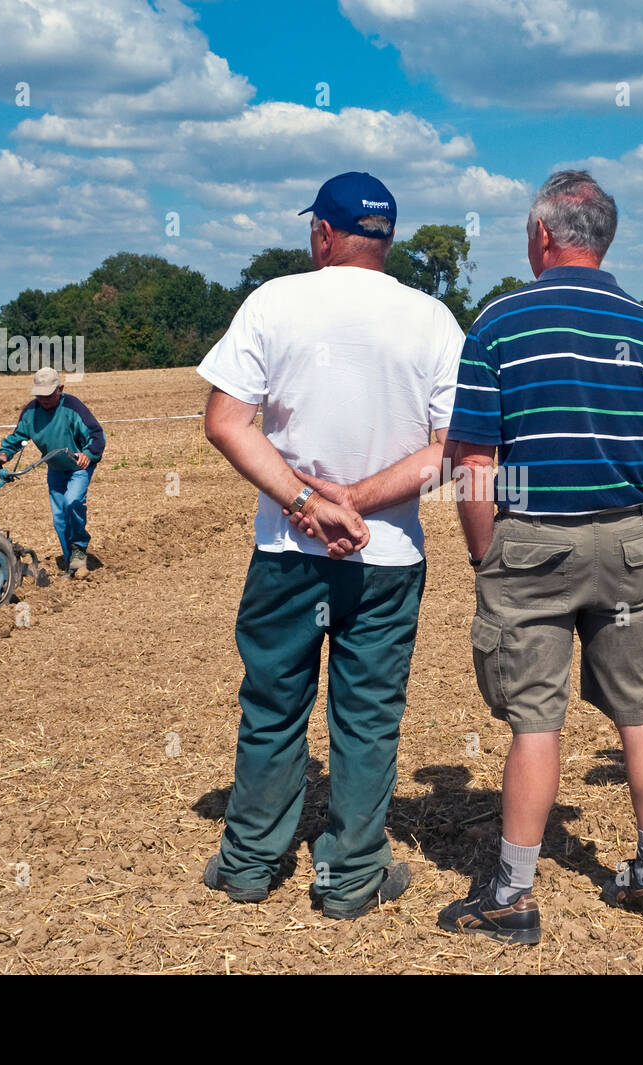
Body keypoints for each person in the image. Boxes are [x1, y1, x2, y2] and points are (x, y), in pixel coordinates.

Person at [437, 170, 643, 944]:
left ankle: (513, 894)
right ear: (605, 239)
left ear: (541, 237)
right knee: (641, 709)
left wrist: (484, 552)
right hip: (627, 536)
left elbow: (473, 460)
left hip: (530, 539)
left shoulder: (498, 324)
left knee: (535, 718)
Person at [196, 171, 465, 919]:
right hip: (386, 560)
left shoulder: (274, 302)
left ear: (321, 234)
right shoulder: (434, 319)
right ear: (387, 239)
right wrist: (358, 503)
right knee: (368, 715)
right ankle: (350, 877)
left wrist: (309, 503)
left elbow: (226, 422)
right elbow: (451, 449)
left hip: (287, 552)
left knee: (274, 703)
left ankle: (249, 863)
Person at [0, 366, 105, 576]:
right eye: (39, 395)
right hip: (55, 468)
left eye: (47, 395)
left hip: (78, 466)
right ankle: (71, 563)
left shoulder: (73, 407)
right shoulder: (31, 412)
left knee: (72, 501)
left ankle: (79, 549)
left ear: (60, 389)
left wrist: (88, 454)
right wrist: (4, 454)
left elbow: (96, 434)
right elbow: (18, 437)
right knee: (59, 518)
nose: (43, 399)